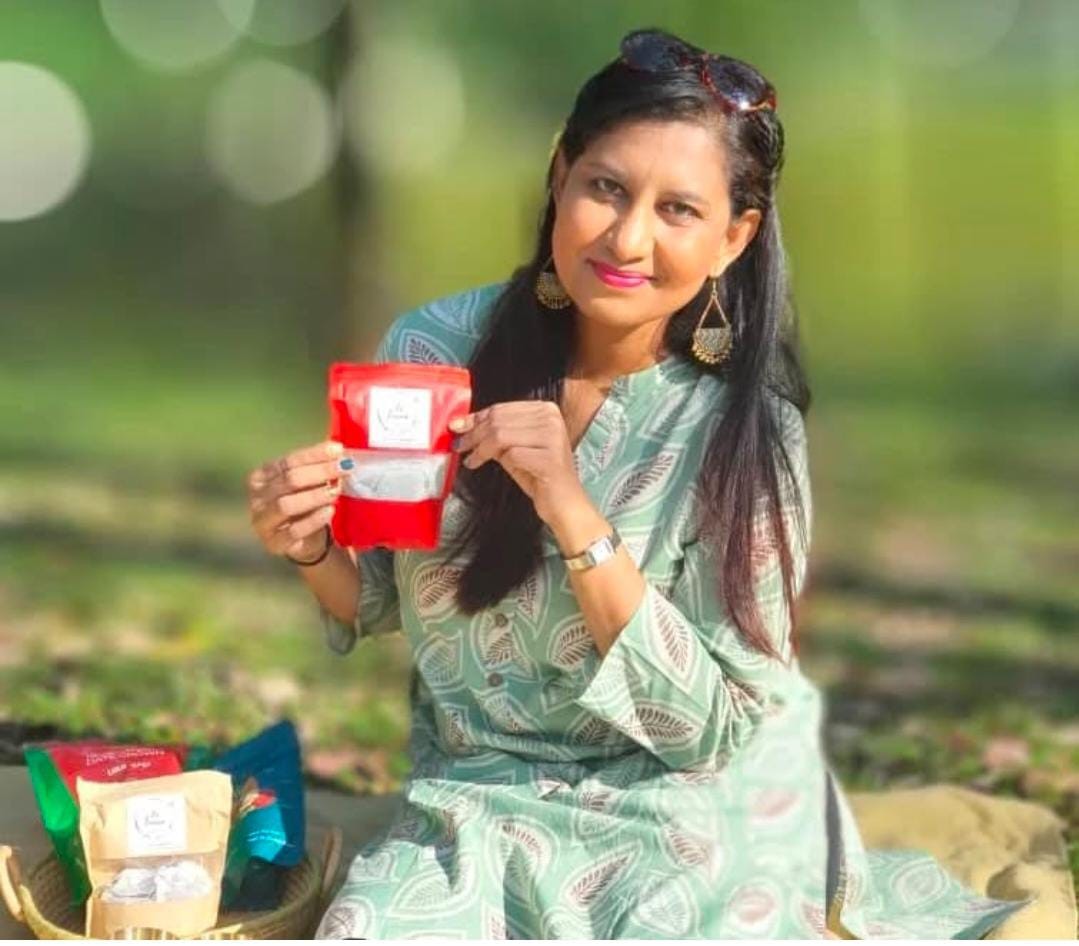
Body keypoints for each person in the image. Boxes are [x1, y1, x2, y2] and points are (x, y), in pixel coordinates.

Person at [246, 28, 1030, 939]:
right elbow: (379, 595)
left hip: (689, 802)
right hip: (477, 793)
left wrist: (569, 506)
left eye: (678, 210)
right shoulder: (434, 351)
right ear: (559, 175)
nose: (626, 238)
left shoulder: (746, 432)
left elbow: (709, 730)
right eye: (606, 188)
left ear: (733, 238)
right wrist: (309, 543)